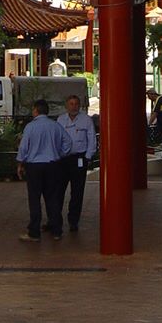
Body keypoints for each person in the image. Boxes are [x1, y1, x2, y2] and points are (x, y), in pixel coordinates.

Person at [16, 98, 71, 241]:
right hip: (53, 164)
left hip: (34, 166)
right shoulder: (55, 126)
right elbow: (68, 142)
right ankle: (56, 230)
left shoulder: (30, 127)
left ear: (35, 110)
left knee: (34, 198)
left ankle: (34, 231)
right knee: (52, 197)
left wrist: (20, 163)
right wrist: (60, 153)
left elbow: (23, 147)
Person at [56, 94, 97, 233]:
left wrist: (88, 157)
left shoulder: (86, 120)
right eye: (71, 104)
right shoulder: (61, 120)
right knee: (58, 191)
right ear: (66, 106)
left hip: (79, 159)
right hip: (63, 159)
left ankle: (73, 221)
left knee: (77, 192)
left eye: (76, 104)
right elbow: (56, 139)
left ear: (79, 106)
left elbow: (92, 139)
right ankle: (55, 220)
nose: (73, 106)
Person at [147, 89, 162, 160]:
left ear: (152, 94)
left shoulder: (158, 100)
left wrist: (149, 124)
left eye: (149, 96)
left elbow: (155, 113)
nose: (148, 98)